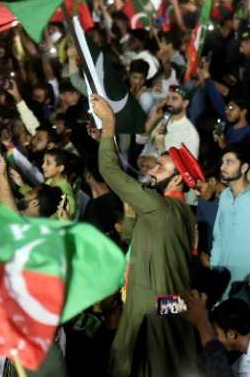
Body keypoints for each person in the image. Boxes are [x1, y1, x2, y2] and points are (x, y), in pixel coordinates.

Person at [93, 95, 198, 377]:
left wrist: (109, 124)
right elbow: (142, 243)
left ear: (178, 179)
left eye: (161, 168)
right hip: (166, 304)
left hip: (150, 307)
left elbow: (109, 171)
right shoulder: (183, 213)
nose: (152, 170)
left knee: (136, 363)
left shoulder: (158, 208)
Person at [211, 144, 250, 294]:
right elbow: (218, 236)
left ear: (244, 167)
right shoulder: (224, 196)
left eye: (229, 162)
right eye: (222, 162)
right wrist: (214, 267)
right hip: (224, 278)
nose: (222, 167)